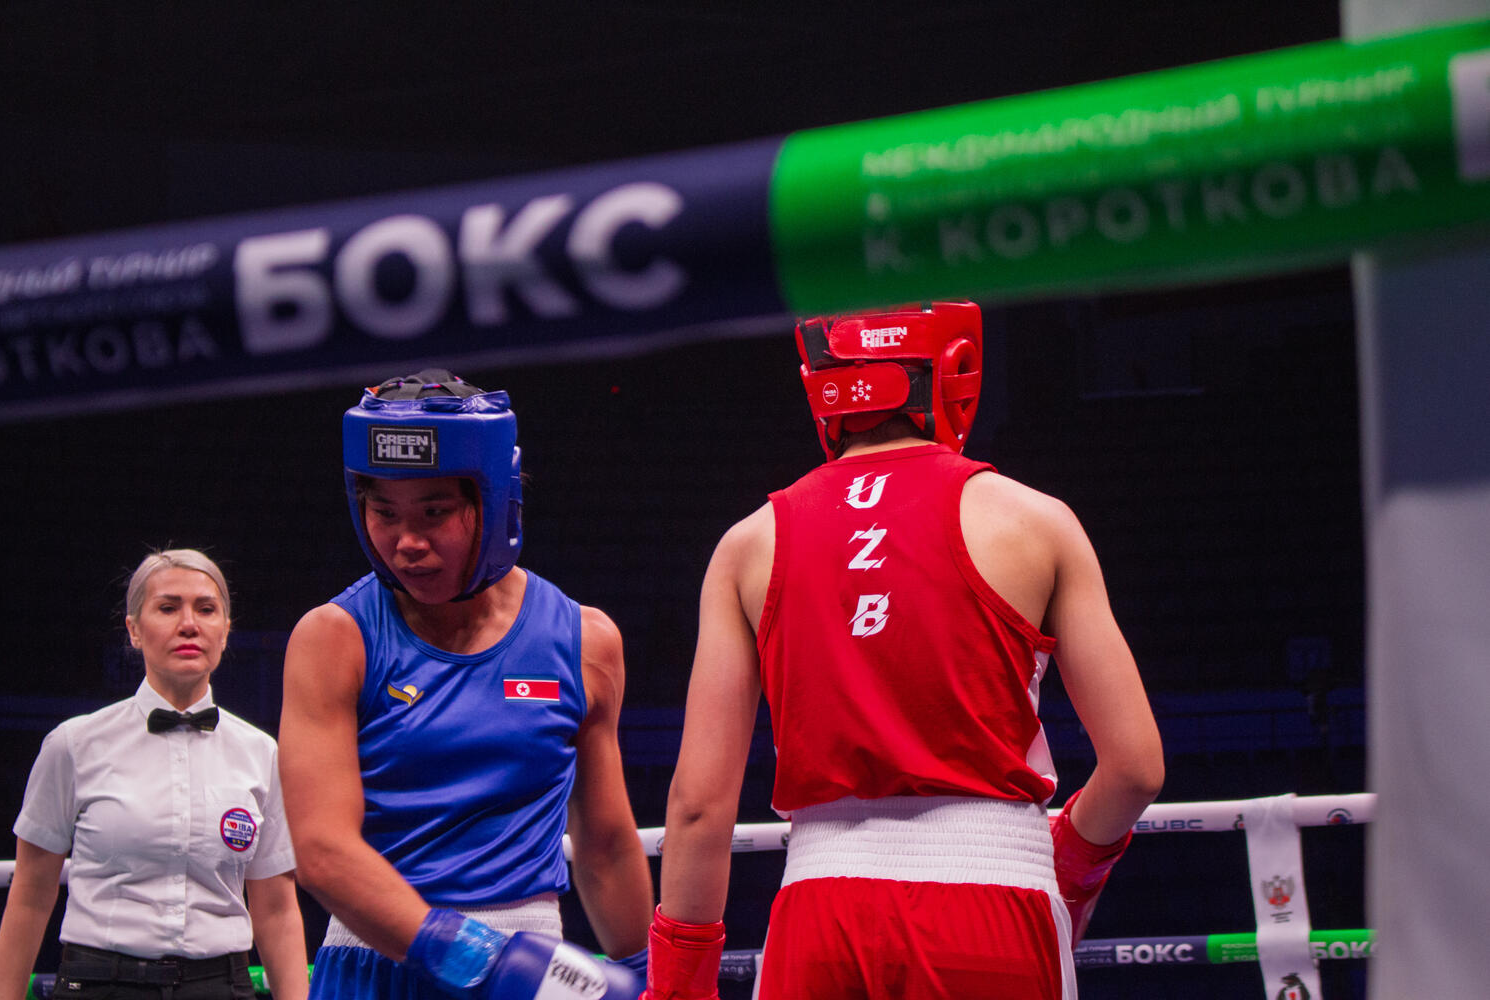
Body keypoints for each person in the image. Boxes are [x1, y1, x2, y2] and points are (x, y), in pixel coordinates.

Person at [645, 303, 1166, 999]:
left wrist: (677, 990)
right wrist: (1069, 864)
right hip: (993, 907)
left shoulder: (748, 544)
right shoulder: (1035, 522)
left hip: (818, 913)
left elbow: (698, 807)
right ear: (951, 374)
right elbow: (1135, 769)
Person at [280, 370, 651, 999]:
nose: (407, 543)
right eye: (384, 512)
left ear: (494, 502)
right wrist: (472, 957)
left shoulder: (583, 641)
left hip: (532, 962)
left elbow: (606, 847)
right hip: (376, 961)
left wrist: (649, 974)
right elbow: (321, 849)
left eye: (435, 512)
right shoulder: (334, 638)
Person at [0, 549, 308, 1000]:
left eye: (206, 609)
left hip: (220, 986)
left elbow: (276, 910)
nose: (189, 624)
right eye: (168, 607)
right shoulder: (75, 745)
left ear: (225, 631)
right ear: (134, 630)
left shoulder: (261, 753)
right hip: (100, 984)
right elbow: (30, 895)